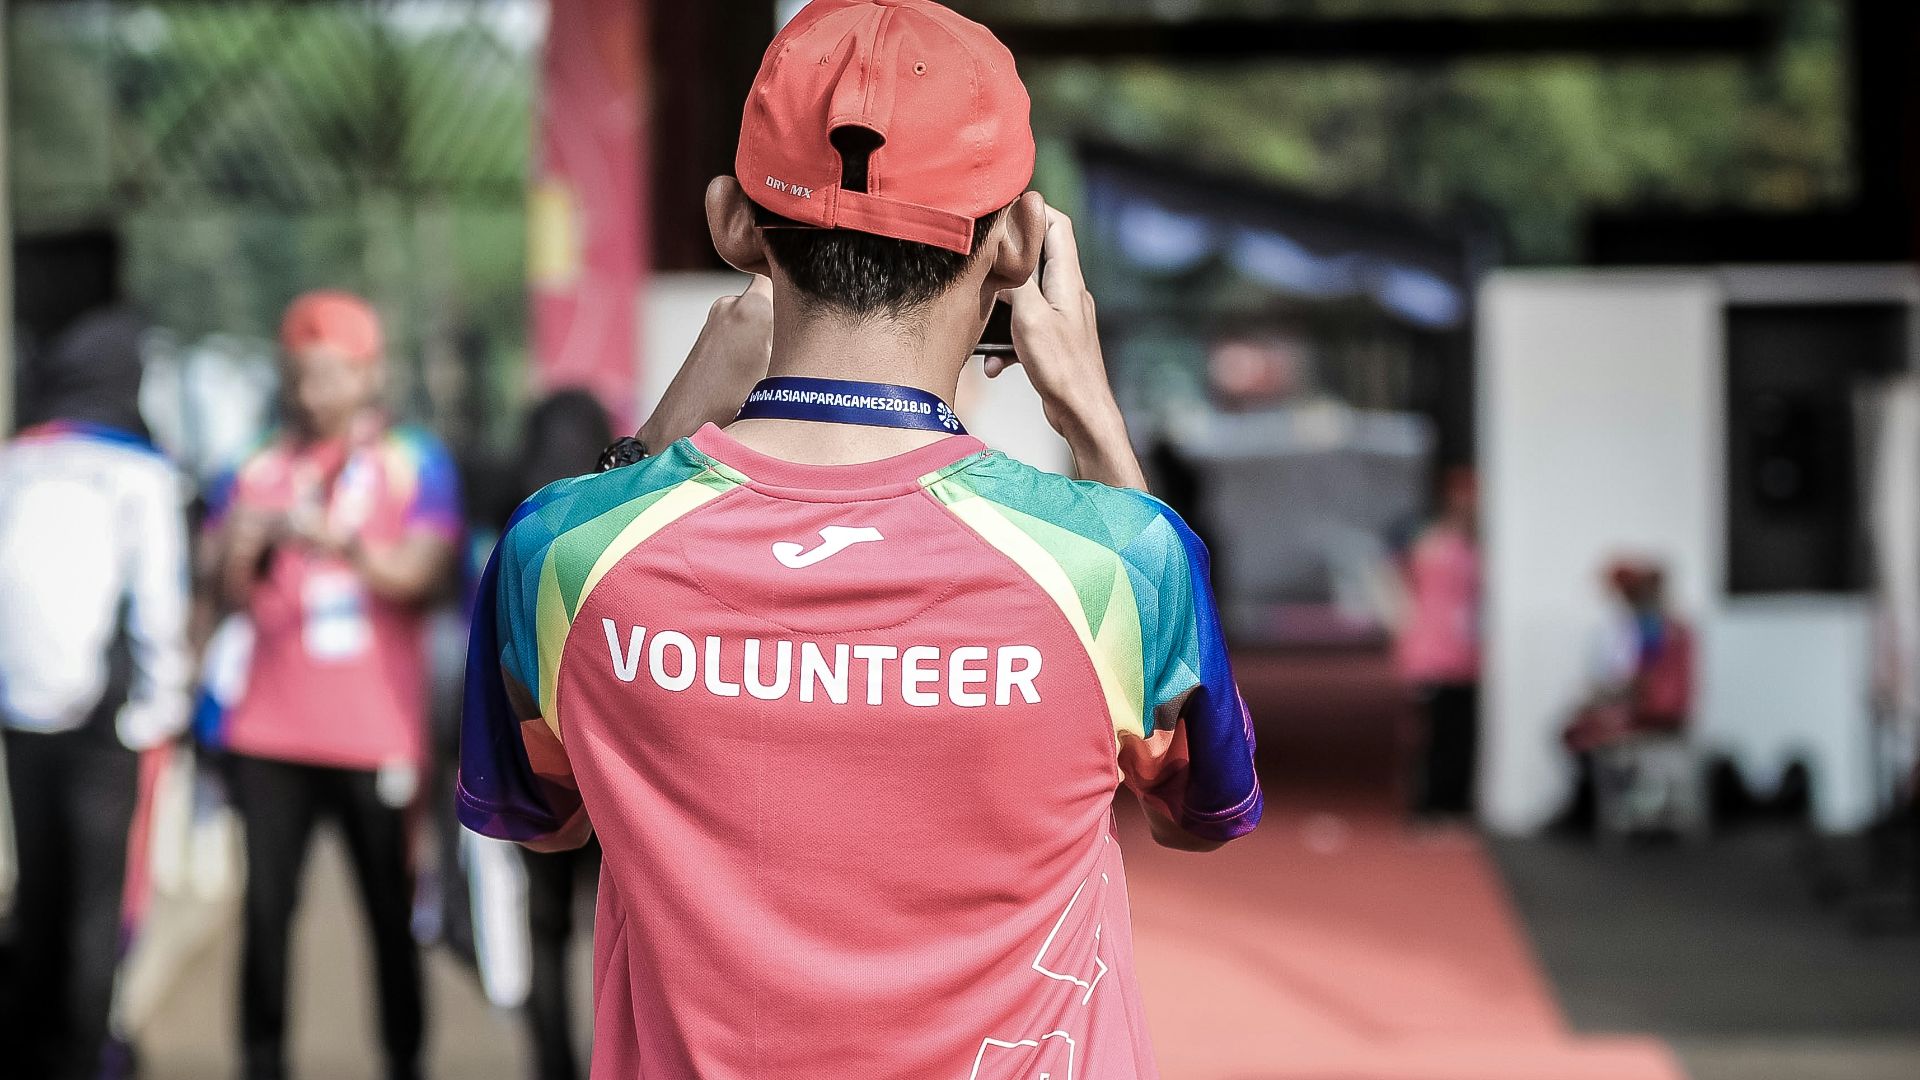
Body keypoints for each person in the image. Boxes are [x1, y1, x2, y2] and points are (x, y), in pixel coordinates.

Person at [458, 3, 1262, 1076]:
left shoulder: (560, 554)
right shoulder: (1116, 560)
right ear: (1020, 244)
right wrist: (1096, 423)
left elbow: (544, 819)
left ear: (734, 226)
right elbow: (1199, 808)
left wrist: (664, 431)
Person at [202, 290, 459, 1080]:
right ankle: (262, 1061)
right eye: (300, 374)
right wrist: (237, 548)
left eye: (330, 374)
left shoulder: (413, 461)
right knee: (266, 921)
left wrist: (341, 542)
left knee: (389, 918)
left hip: (374, 733)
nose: (314, 391)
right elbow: (213, 587)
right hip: (268, 732)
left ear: (368, 374)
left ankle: (405, 1060)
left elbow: (424, 571)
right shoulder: (251, 466)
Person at [0, 307, 192, 1079]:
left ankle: (27, 1044)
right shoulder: (139, 471)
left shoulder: (15, 460)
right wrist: (159, 710)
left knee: (38, 884)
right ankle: (86, 1053)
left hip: (20, 713)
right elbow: (159, 603)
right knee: (95, 900)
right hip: (104, 720)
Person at [1395, 467, 1481, 818]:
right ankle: (1427, 805)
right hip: (1432, 655)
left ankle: (1451, 801)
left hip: (1465, 657)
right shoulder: (1431, 545)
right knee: (1433, 734)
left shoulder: (1471, 549)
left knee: (1458, 733)